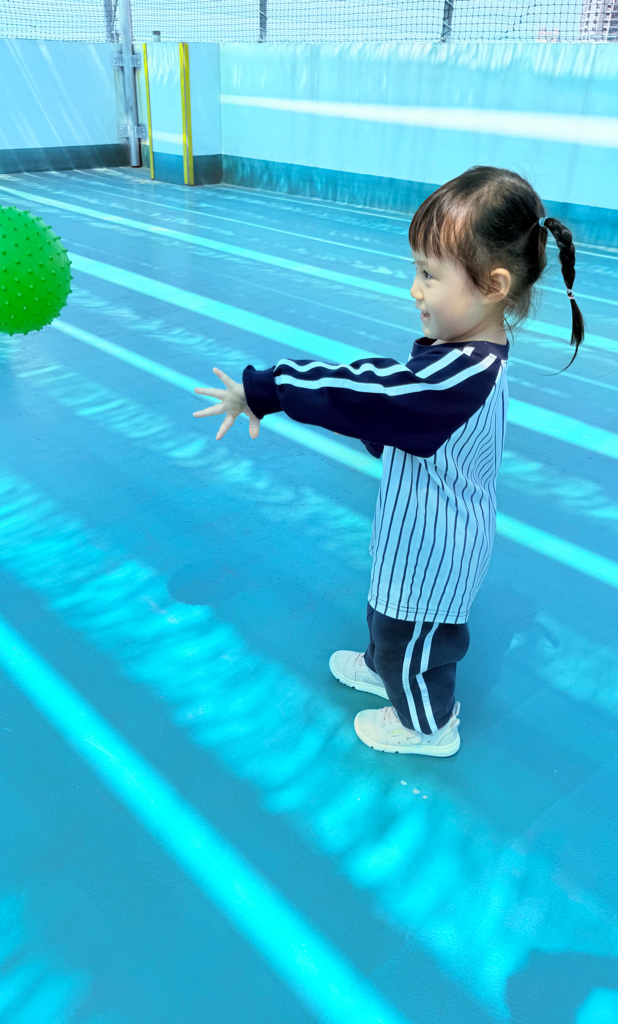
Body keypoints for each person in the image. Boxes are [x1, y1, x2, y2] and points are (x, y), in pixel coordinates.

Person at [192, 165, 585, 757]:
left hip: (437, 547)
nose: (415, 289)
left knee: (414, 637)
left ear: (493, 285)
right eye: (416, 270)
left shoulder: (459, 376)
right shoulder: (463, 355)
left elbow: (370, 393)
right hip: (417, 528)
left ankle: (428, 725)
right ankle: (383, 667)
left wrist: (268, 388)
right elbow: (401, 420)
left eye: (429, 274)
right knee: (389, 614)